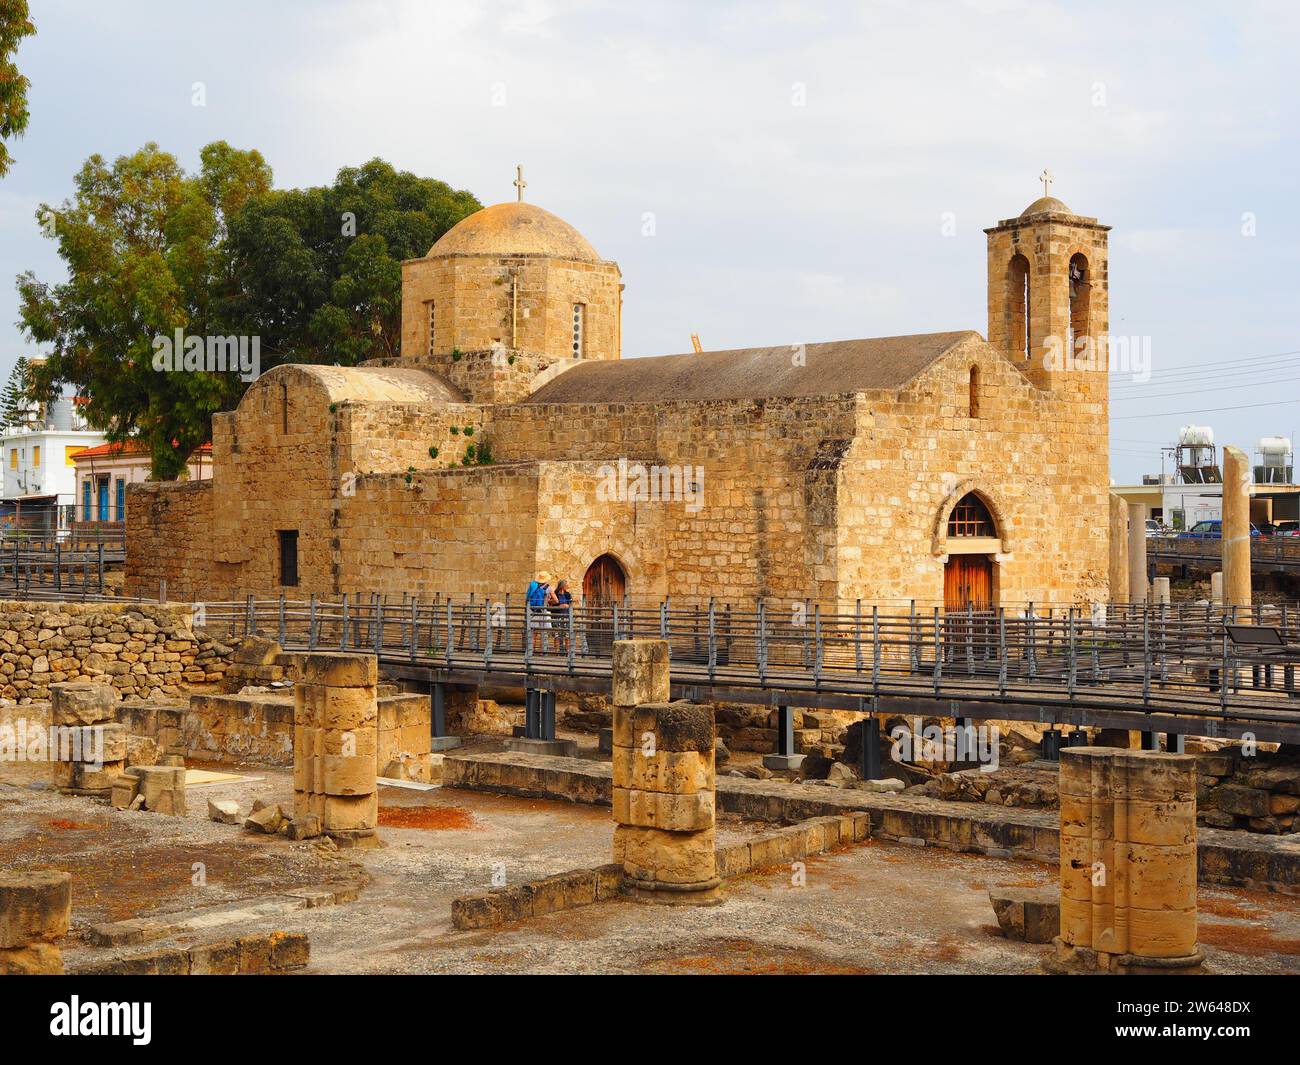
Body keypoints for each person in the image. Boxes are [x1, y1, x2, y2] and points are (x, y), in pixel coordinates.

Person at [527, 571, 552, 653]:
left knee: (533, 632)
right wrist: (549, 600)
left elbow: (527, 598)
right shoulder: (548, 587)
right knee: (543, 632)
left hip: (533, 610)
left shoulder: (532, 585)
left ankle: (532, 650)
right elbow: (556, 600)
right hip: (543, 610)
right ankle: (542, 651)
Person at [550, 579, 573, 652]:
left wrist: (568, 605)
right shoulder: (555, 594)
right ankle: (556, 651)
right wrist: (559, 606)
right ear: (562, 586)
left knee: (567, 634)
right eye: (566, 585)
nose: (568, 586)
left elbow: (571, 604)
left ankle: (567, 651)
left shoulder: (568, 594)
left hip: (566, 616)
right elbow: (550, 604)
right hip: (556, 615)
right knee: (557, 635)